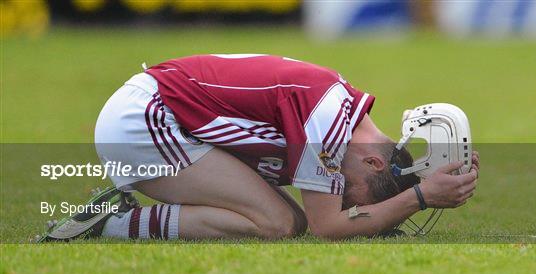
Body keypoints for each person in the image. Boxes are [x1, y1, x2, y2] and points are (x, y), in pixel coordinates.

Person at [39, 54, 479, 242]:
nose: (343, 199)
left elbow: (348, 207)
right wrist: (420, 197)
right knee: (277, 222)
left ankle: (116, 219)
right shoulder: (326, 121)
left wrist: (425, 181)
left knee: (283, 218)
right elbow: (328, 227)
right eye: (353, 195)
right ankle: (113, 224)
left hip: (156, 112)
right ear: (372, 160)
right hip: (142, 123)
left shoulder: (341, 112)